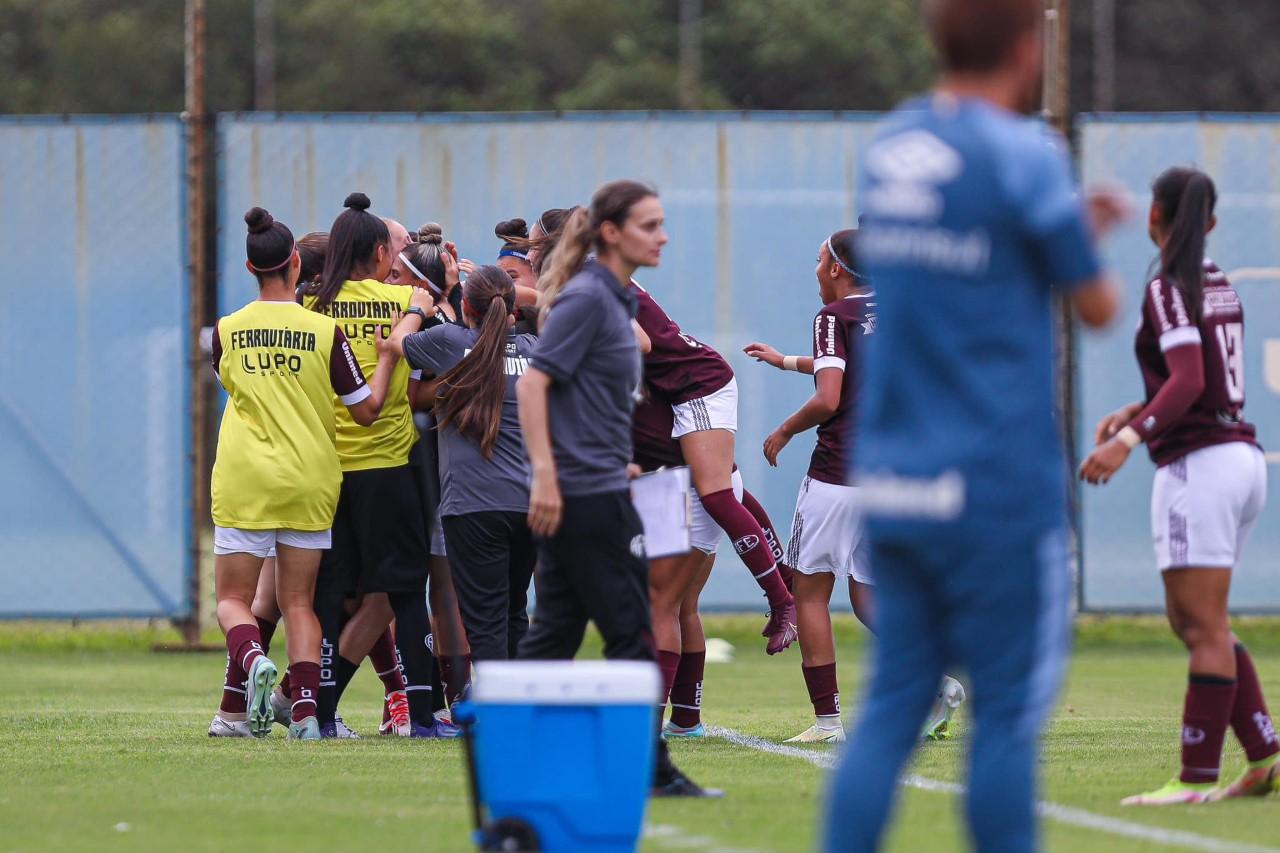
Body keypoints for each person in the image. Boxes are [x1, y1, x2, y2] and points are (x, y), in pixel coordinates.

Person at [821, 0, 1123, 848]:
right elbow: (1096, 302)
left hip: (894, 473)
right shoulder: (1027, 153)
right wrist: (1079, 231)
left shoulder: (892, 148)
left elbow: (968, 248)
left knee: (889, 710)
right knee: (1005, 718)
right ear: (1029, 50)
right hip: (993, 482)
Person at [1081, 167, 1276, 805]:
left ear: (1153, 216)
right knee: (1206, 622)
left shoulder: (1167, 284)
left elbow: (1189, 379)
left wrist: (1126, 440)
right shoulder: (1217, 282)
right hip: (1240, 459)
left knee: (1198, 625)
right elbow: (1200, 384)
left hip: (1201, 466)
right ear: (1212, 223)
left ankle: (1193, 781)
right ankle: (1265, 756)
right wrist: (1137, 412)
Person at [516, 179, 713, 797]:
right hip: (584, 497)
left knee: (554, 634)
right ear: (610, 233)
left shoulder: (616, 299)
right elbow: (533, 386)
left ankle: (507, 749)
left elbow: (585, 397)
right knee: (631, 631)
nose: (663, 236)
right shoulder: (589, 299)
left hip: (601, 483)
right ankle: (649, 772)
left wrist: (612, 458)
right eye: (649, 225)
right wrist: (548, 475)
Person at [745, 230, 967, 745]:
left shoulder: (832, 317)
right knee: (868, 593)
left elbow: (829, 397)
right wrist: (786, 362)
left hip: (838, 474)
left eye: (820, 259)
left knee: (809, 593)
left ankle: (828, 722)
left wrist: (784, 429)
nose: (817, 268)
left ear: (838, 270)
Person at [209, 206, 396, 741]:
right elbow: (364, 409)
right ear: (297, 263)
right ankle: (309, 715)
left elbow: (233, 384)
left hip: (247, 477)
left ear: (250, 268)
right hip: (311, 477)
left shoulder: (227, 330)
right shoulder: (324, 330)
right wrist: (384, 356)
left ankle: (252, 663)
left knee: (233, 601)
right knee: (298, 603)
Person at [302, 193, 458, 739]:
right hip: (389, 463)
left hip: (327, 471)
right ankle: (420, 716)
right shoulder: (402, 301)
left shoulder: (311, 308)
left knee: (329, 595)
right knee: (405, 591)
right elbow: (425, 377)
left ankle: (319, 715)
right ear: (375, 251)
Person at [387, 265, 538, 662]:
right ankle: (518, 715)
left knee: (485, 622)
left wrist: (418, 309)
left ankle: (495, 720)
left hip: (472, 506)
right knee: (514, 612)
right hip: (529, 505)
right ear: (510, 311)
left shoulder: (450, 342)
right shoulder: (534, 350)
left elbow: (396, 342)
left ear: (466, 307)